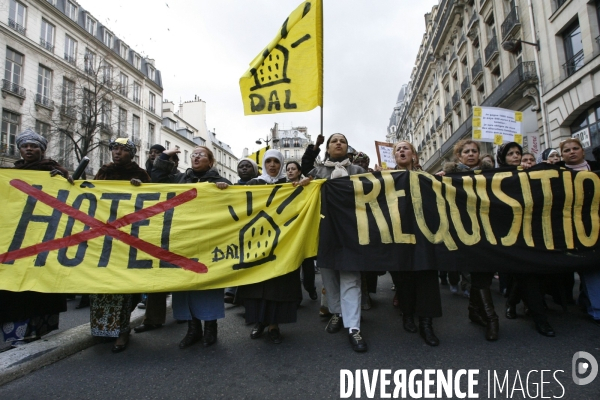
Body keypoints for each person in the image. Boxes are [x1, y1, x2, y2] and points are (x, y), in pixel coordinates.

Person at [151, 146, 230, 349]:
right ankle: (193, 329)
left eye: (201, 154)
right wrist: (164, 155)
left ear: (211, 162)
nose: (196, 157)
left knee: (208, 285)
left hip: (209, 241)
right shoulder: (179, 180)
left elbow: (233, 204)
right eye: (193, 154)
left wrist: (226, 190)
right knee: (186, 285)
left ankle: (210, 328)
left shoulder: (219, 182)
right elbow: (157, 178)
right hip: (184, 242)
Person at [0, 129, 71, 347]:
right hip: (16, 240)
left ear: (42, 150)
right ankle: (15, 336)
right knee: (13, 291)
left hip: (43, 239)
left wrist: (62, 180)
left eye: (33, 146)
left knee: (37, 289)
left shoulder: (55, 172)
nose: (29, 149)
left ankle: (35, 332)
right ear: (19, 149)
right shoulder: (11, 174)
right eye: (25, 146)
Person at [298, 133, 368, 352]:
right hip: (324, 231)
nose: (338, 143)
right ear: (327, 148)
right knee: (329, 279)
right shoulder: (317, 172)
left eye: (343, 141)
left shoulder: (358, 171)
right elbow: (304, 174)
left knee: (351, 278)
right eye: (334, 141)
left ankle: (353, 326)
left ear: (348, 148)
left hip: (351, 231)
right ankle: (337, 313)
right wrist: (305, 181)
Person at [226, 150, 304, 344]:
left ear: (281, 164)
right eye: (268, 161)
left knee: (277, 287)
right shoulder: (253, 184)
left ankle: (274, 325)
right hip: (256, 243)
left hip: (281, 244)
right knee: (256, 286)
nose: (272, 165)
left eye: (276, 161)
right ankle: (258, 322)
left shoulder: (289, 185)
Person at [378, 141, 443, 346]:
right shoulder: (385, 178)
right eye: (398, 150)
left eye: (406, 148)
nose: (402, 151)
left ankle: (426, 323)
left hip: (424, 234)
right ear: (394, 157)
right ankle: (407, 314)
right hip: (399, 234)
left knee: (426, 275)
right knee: (403, 277)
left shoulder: (428, 178)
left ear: (414, 155)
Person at [90, 138, 150, 353]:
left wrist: (140, 188)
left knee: (123, 286)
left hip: (128, 238)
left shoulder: (141, 174)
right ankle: (103, 329)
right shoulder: (103, 171)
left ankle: (122, 330)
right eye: (114, 148)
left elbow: (152, 202)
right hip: (103, 237)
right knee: (101, 284)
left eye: (123, 150)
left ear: (131, 154)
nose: (117, 152)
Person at [443, 139, 498, 341]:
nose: (471, 154)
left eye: (474, 151)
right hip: (464, 231)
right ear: (459, 156)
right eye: (466, 151)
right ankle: (492, 319)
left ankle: (475, 311)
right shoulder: (451, 176)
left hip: (489, 230)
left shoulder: (491, 174)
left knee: (482, 273)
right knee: (479, 273)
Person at [134, 151, 181, 333]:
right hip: (155, 232)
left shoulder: (182, 179)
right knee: (156, 277)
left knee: (179, 276)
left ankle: (182, 314)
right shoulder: (152, 177)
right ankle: (153, 318)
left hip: (178, 232)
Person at [558, 138, 600, 327]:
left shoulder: (596, 170)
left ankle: (587, 301)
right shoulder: (554, 174)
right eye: (567, 150)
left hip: (597, 225)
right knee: (590, 267)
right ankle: (596, 310)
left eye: (576, 148)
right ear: (562, 155)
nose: (572, 152)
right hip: (573, 229)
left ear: (583, 151)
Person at [224, 158, 259, 304]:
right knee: (235, 258)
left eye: (248, 166)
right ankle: (231, 290)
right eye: (241, 166)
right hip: (236, 229)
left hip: (256, 229)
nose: (244, 168)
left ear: (255, 170)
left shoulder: (262, 186)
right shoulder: (231, 188)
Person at [286, 161, 318, 301]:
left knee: (308, 266)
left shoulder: (308, 185)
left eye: (293, 169)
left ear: (299, 172)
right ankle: (297, 297)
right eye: (288, 169)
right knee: (293, 267)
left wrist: (309, 179)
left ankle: (310, 288)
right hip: (290, 233)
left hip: (305, 231)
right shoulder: (282, 187)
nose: (290, 171)